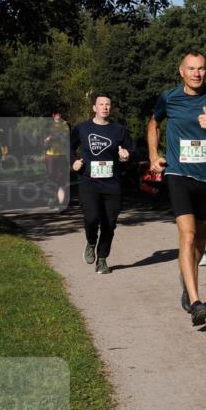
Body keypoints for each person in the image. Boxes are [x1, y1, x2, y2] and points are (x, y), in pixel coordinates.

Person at [147, 50, 206, 326]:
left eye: (201, 68)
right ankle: (196, 301)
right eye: (191, 69)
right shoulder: (169, 97)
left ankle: (186, 280)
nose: (196, 73)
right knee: (187, 236)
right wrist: (154, 155)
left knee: (200, 238)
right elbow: (153, 123)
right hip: (178, 174)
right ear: (181, 71)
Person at [71, 94, 134, 275]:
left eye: (108, 104)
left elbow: (131, 151)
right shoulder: (82, 128)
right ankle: (91, 242)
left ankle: (102, 259)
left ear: (110, 108)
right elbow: (67, 146)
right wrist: (74, 161)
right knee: (91, 218)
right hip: (88, 181)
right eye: (101, 104)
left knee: (109, 223)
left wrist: (126, 156)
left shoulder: (119, 130)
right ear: (94, 108)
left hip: (112, 184)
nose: (105, 107)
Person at [44, 110, 70, 209]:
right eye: (56, 114)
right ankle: (52, 197)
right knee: (51, 177)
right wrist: (47, 140)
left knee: (61, 179)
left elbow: (66, 139)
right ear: (53, 115)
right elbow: (43, 141)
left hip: (62, 155)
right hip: (50, 155)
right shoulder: (48, 126)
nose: (58, 116)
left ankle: (61, 204)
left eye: (60, 114)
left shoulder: (65, 125)